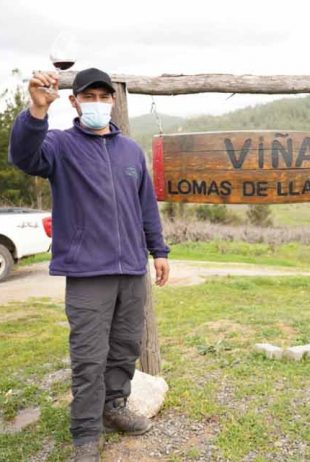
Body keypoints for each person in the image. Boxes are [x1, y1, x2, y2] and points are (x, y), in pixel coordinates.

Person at [9, 68, 171, 462]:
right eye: (89, 96)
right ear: (75, 102)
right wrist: (35, 110)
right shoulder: (60, 146)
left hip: (131, 270)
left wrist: (159, 251)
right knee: (88, 355)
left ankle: (114, 405)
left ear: (112, 102)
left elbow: (145, 206)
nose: (97, 102)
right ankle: (84, 432)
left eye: (104, 96)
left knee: (124, 346)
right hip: (86, 274)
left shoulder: (131, 151)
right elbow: (23, 155)